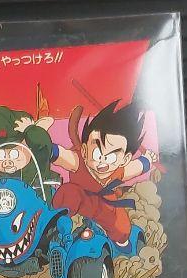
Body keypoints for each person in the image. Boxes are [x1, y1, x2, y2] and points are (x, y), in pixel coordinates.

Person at [52, 98, 158, 252]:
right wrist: (46, 147)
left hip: (105, 206)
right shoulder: (79, 161)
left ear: (125, 159)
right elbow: (61, 155)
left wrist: (147, 159)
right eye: (97, 153)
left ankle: (120, 246)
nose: (102, 160)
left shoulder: (118, 171)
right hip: (79, 201)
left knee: (121, 228)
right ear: (84, 151)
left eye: (111, 156)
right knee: (68, 192)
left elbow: (136, 167)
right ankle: (58, 229)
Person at [0, 105, 61, 199]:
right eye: (1, 155)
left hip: (35, 205)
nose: (7, 162)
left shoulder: (36, 161)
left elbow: (43, 147)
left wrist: (30, 130)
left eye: (14, 154)